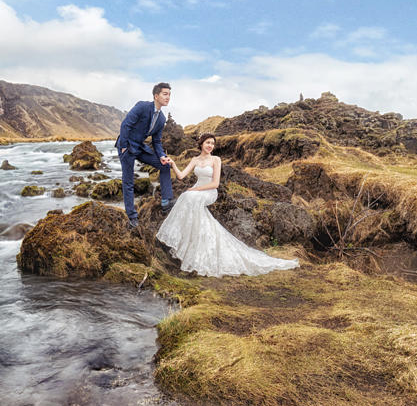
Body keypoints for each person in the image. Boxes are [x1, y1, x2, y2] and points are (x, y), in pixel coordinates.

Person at [157, 133, 300, 277]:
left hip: (209, 192)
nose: (210, 146)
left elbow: (215, 183)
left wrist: (195, 189)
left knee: (189, 196)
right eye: (207, 142)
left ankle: (190, 241)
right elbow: (181, 176)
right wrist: (173, 164)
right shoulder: (195, 159)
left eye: (212, 143)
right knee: (186, 197)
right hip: (197, 191)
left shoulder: (216, 159)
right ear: (201, 144)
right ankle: (191, 241)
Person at [116, 82, 174, 228]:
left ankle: (166, 201)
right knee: (128, 182)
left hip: (141, 147)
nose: (168, 97)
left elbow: (156, 141)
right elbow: (125, 125)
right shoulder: (142, 106)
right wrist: (123, 146)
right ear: (156, 95)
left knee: (165, 165)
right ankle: (132, 217)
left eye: (169, 95)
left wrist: (161, 155)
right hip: (127, 147)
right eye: (165, 94)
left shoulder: (161, 119)